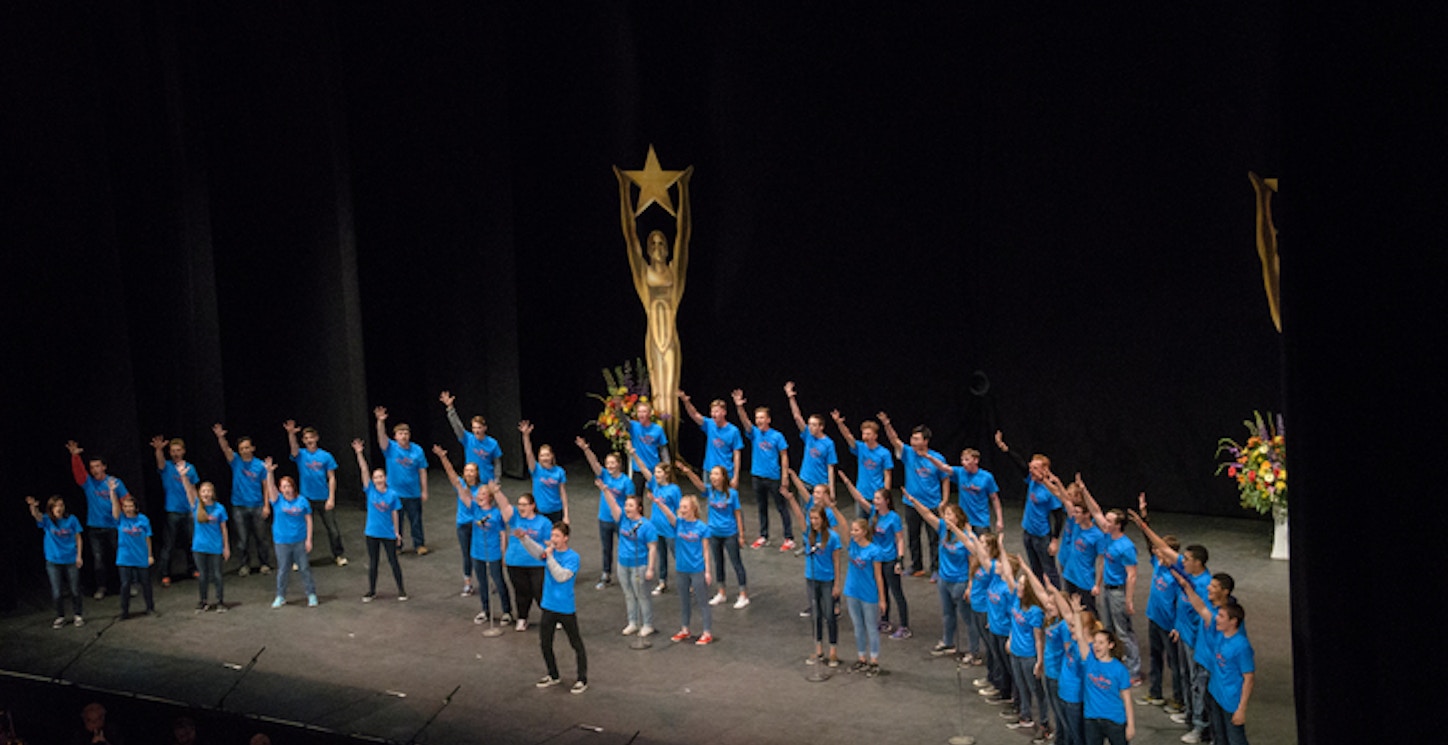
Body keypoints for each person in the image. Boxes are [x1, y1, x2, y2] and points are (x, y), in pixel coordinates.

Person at [615, 158, 692, 451]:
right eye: (654, 244)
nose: (658, 247)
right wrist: (624, 189)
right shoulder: (642, 273)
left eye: (662, 243)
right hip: (652, 336)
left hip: (670, 337)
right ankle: (662, 456)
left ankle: (673, 454)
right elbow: (629, 235)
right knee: (658, 398)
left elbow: (684, 235)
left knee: (670, 396)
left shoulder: (675, 272)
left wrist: (683, 189)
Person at [1128, 509, 1213, 743]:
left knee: (1197, 683)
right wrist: (1144, 527)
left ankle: (1201, 726)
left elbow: (1207, 616)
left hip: (1197, 641)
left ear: (1197, 563)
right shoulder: (1187, 572)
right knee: (1187, 678)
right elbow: (1163, 550)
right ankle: (1189, 716)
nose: (1182, 561)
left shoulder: (1204, 584)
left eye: (1186, 559)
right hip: (1184, 634)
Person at [1174, 566, 1254, 745]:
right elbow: (1201, 608)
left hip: (1230, 701)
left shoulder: (1241, 646)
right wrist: (1186, 587)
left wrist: (1241, 709)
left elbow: (1248, 678)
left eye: (1222, 616)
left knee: (1235, 738)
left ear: (1233, 622)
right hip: (1216, 694)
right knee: (1220, 736)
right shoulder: (1220, 638)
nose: (1217, 617)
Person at [435, 445, 512, 624]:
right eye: (480, 495)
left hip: (492, 551)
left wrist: (503, 553)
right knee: (482, 583)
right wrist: (443, 458)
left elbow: (503, 533)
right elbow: (456, 482)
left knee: (498, 581)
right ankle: (485, 610)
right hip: (477, 551)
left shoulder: (496, 513)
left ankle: (507, 611)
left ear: (489, 497)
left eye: (484, 494)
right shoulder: (473, 508)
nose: (480, 496)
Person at [1076, 477, 1142, 685]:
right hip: (1106, 588)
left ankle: (1134, 671)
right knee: (1108, 628)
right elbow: (1095, 510)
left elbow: (1132, 574)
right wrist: (1084, 489)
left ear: (1118, 526)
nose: (1104, 522)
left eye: (1109, 521)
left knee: (1123, 632)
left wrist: (1129, 600)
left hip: (1119, 592)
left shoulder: (1126, 546)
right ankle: (1116, 662)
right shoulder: (1107, 537)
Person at [517, 522, 588, 693]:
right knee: (545, 643)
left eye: (557, 536)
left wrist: (549, 557)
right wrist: (524, 539)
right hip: (548, 605)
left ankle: (582, 679)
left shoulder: (573, 557)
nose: (553, 539)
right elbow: (536, 551)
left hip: (565, 607)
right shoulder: (550, 553)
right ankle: (553, 675)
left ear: (565, 538)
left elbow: (561, 576)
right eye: (552, 536)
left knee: (575, 643)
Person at [903, 494, 975, 663]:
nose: (947, 517)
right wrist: (914, 501)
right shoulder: (943, 528)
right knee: (947, 614)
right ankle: (948, 642)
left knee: (967, 618)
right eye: (946, 514)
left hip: (960, 581)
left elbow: (974, 564)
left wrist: (970, 586)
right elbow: (928, 515)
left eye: (950, 514)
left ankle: (974, 651)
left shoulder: (967, 537)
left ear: (958, 518)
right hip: (944, 579)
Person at [878, 413, 950, 579]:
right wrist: (887, 424)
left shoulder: (937, 458)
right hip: (911, 503)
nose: (913, 441)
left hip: (932, 504)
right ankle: (916, 566)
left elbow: (945, 480)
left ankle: (936, 569)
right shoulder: (908, 453)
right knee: (913, 536)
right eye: (912, 438)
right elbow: (894, 440)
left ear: (925, 441)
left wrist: (945, 501)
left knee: (934, 538)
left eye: (917, 438)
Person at [839, 472, 909, 639]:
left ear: (886, 501)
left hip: (890, 559)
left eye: (878, 499)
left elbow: (899, 539)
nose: (875, 501)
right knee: (881, 589)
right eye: (875, 499)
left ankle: (904, 626)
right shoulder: (873, 513)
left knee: (896, 592)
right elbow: (860, 498)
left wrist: (900, 559)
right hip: (875, 559)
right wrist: (848, 482)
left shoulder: (894, 518)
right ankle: (885, 620)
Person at [993, 430, 1066, 588]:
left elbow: (1059, 517)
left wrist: (1054, 541)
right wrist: (1004, 447)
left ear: (1045, 470)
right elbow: (1018, 463)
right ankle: (1039, 595)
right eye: (1031, 467)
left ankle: (1059, 599)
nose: (1030, 470)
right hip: (1028, 532)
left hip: (1042, 536)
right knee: (1035, 568)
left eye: (1035, 468)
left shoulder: (1050, 491)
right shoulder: (1032, 480)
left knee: (1049, 569)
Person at [781, 486, 842, 666]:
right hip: (812, 578)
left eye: (816, 519)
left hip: (828, 580)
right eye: (811, 519)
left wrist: (837, 584)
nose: (813, 522)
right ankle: (818, 649)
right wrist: (791, 499)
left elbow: (837, 562)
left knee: (829, 615)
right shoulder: (809, 535)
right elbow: (799, 516)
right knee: (816, 615)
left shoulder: (833, 537)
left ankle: (833, 651)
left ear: (823, 519)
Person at [1134, 494, 1184, 711]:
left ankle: (1179, 698)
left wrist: (1177, 626)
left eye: (1160, 550)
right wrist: (1144, 517)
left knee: (1175, 664)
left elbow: (1182, 603)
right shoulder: (1158, 563)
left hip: (1169, 624)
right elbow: (1149, 543)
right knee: (1155, 658)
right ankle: (1155, 693)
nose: (1155, 551)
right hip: (1154, 618)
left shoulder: (1177, 573)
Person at [677, 462, 749, 609]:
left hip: (730, 533)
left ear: (723, 477)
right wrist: (688, 471)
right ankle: (721, 592)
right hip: (714, 533)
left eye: (716, 474)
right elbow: (699, 484)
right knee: (718, 562)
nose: (713, 477)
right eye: (712, 474)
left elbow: (738, 515)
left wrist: (741, 535)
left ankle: (743, 594)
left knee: (736, 563)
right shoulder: (710, 491)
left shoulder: (732, 494)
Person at [1070, 594, 1136, 745]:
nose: (1097, 646)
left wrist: (1130, 725)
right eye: (1096, 643)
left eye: (1101, 643)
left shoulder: (1120, 669)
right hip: (1092, 719)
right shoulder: (1089, 661)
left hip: (1115, 720)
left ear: (1110, 645)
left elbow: (1127, 700)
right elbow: (1080, 637)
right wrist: (1076, 613)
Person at [731, 389, 792, 551]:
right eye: (757, 417)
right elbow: (745, 422)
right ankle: (763, 535)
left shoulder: (777, 436)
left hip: (773, 477)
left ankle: (789, 537)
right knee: (761, 507)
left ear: (768, 420)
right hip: (757, 476)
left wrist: (785, 476)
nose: (758, 420)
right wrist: (739, 407)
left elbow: (784, 456)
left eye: (761, 418)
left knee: (781, 507)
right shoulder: (755, 434)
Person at [653, 493, 716, 644]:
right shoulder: (679, 523)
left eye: (685, 507)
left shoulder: (702, 528)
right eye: (680, 507)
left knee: (702, 601)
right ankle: (685, 629)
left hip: (697, 568)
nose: (681, 510)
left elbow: (706, 551)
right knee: (684, 600)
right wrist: (659, 503)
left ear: (693, 508)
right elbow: (669, 514)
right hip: (681, 568)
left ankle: (707, 632)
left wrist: (707, 571)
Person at [598, 476, 658, 636]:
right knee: (629, 594)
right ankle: (633, 622)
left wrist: (650, 568)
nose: (627, 508)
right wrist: (605, 490)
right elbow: (612, 504)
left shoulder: (647, 526)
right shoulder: (622, 519)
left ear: (639, 508)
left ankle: (647, 624)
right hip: (623, 563)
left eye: (630, 505)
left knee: (642, 595)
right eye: (626, 505)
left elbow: (653, 548)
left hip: (639, 564)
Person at [1003, 552, 1052, 740]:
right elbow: (1008, 575)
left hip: (1029, 655)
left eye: (1023, 585)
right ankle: (1025, 715)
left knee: (1036, 690)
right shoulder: (1016, 599)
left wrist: (1039, 662)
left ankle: (1045, 722)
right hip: (1015, 651)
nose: (1019, 587)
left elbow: (1039, 639)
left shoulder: (1035, 612)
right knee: (1021, 686)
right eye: (1020, 584)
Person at [66, 440, 124, 600]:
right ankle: (101, 587)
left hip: (113, 526)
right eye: (92, 467)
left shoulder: (114, 482)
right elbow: (79, 475)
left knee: (120, 557)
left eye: (98, 466)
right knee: (98, 560)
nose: (95, 470)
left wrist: (128, 520)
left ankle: (126, 585)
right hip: (95, 527)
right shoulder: (89, 483)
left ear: (104, 467)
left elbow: (125, 500)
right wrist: (75, 457)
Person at [284, 420, 347, 566]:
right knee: (301, 529)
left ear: (316, 438)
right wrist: (291, 434)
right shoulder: (301, 455)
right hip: (306, 498)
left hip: (324, 498)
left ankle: (338, 555)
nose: (309, 440)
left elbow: (331, 478)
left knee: (333, 530)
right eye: (306, 438)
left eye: (311, 437)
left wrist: (331, 497)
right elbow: (293, 449)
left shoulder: (326, 456)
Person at [213, 424, 272, 576]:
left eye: (247, 447)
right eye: (242, 448)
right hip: (239, 506)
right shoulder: (236, 461)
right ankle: (244, 564)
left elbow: (266, 486)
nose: (245, 450)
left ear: (252, 448)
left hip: (257, 505)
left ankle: (264, 563)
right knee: (242, 539)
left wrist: (266, 505)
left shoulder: (260, 465)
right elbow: (226, 450)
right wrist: (221, 437)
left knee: (261, 537)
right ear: (239, 450)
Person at [353, 439, 406, 601]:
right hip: (372, 532)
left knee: (393, 562)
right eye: (375, 477)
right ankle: (372, 590)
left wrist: (397, 532)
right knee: (373, 562)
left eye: (380, 476)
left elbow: (395, 514)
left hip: (388, 532)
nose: (378, 479)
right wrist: (359, 453)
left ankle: (402, 590)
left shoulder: (392, 494)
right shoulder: (370, 491)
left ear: (385, 478)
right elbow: (363, 470)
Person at [491, 483, 549, 631]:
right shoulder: (515, 517)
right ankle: (522, 619)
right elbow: (504, 506)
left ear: (532, 506)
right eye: (520, 504)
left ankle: (551, 618)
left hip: (536, 563)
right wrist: (497, 492)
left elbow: (550, 542)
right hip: (515, 562)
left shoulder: (543, 522)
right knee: (521, 593)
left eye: (524, 504)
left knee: (539, 592)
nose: (521, 507)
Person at [576, 436, 631, 590]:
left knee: (625, 547)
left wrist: (629, 519)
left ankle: (626, 573)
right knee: (606, 548)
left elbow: (630, 502)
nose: (610, 466)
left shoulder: (626, 481)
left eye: (613, 463)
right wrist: (586, 449)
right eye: (608, 463)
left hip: (621, 520)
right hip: (605, 518)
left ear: (619, 464)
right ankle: (606, 574)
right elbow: (594, 463)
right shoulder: (604, 475)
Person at [262, 457, 317, 608]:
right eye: (283, 486)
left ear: (293, 487)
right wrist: (269, 472)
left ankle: (311, 594)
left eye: (289, 486)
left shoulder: (302, 501)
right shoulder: (277, 500)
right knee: (283, 570)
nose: (286, 489)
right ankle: (280, 596)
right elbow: (270, 487)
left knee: (304, 568)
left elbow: (309, 520)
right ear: (280, 489)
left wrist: (309, 539)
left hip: (299, 540)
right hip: (282, 541)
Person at [374, 407, 429, 554]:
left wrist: (424, 490)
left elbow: (422, 471)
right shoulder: (390, 448)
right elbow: (381, 437)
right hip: (394, 492)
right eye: (400, 434)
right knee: (395, 521)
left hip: (413, 492)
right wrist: (380, 421)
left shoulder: (417, 450)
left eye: (406, 433)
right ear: (395, 436)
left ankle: (419, 544)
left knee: (416, 520)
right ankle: (397, 545)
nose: (403, 436)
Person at [628, 444, 680, 595]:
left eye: (658, 472)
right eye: (655, 472)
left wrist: (681, 526)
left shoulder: (674, 489)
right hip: (657, 528)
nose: (656, 474)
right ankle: (662, 582)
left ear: (666, 474)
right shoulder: (654, 486)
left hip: (670, 528)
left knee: (678, 555)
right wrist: (634, 455)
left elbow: (679, 509)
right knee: (661, 556)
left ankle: (689, 580)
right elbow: (644, 469)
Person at [28, 494, 84, 628]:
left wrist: (79, 556)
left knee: (75, 589)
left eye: (61, 505)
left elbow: (78, 538)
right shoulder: (47, 520)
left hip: (70, 559)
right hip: (53, 560)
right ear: (51, 508)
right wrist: (33, 507)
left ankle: (78, 614)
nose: (59, 508)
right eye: (56, 506)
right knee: (57, 592)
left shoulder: (71, 519)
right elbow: (37, 516)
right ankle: (60, 616)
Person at [841, 517, 887, 676]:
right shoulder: (852, 545)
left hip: (868, 594)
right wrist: (833, 508)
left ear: (864, 532)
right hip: (852, 591)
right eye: (852, 530)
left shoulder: (874, 551)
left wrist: (882, 599)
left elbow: (879, 576)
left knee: (871, 628)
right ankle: (861, 658)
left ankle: (874, 660)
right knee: (858, 627)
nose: (853, 533)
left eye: (856, 530)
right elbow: (842, 524)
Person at [151, 435, 198, 587]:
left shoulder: (190, 468)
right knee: (169, 544)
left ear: (183, 451)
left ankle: (193, 569)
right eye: (173, 451)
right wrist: (159, 450)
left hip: (188, 510)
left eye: (178, 450)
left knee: (191, 542)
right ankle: (165, 574)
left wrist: (196, 507)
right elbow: (160, 462)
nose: (176, 453)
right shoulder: (168, 467)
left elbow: (194, 488)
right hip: (172, 510)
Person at [181, 466, 229, 612]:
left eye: (208, 491)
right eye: (203, 491)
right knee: (203, 576)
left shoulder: (219, 508)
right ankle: (203, 601)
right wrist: (184, 476)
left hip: (215, 546)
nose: (206, 494)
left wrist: (226, 547)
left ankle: (220, 601)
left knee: (217, 575)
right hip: (199, 547)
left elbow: (224, 529)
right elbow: (188, 490)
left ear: (213, 493)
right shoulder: (196, 506)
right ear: (200, 494)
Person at [831, 411, 893, 520]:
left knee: (877, 526)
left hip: (877, 495)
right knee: (861, 525)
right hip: (861, 494)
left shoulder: (884, 453)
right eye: (863, 433)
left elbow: (887, 475)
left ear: (875, 436)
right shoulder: (861, 447)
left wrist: (885, 495)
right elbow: (848, 436)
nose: (865, 436)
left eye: (868, 434)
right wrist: (839, 423)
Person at [783, 382, 838, 500]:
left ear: (821, 427)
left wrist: (832, 490)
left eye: (814, 425)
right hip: (805, 481)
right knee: (805, 515)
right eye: (810, 424)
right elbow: (797, 417)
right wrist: (791, 397)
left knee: (819, 515)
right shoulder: (808, 435)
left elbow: (830, 467)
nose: (810, 427)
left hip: (821, 485)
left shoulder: (829, 443)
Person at [929, 448, 1003, 534]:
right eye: (962, 460)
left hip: (981, 521)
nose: (963, 462)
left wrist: (999, 519)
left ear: (976, 460)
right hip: (963, 520)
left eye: (967, 460)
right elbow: (943, 467)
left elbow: (995, 499)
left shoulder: (986, 477)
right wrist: (929, 457)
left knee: (983, 545)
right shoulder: (960, 472)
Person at [677, 391, 742, 487]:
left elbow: (737, 455)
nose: (713, 414)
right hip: (709, 470)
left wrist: (736, 476)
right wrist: (686, 401)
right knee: (710, 498)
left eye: (716, 411)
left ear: (724, 412)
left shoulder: (733, 431)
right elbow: (694, 414)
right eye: (712, 411)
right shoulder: (710, 424)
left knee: (725, 499)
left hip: (725, 471)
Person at [109, 483, 155, 618]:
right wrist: (112, 492)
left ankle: (150, 608)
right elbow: (114, 507)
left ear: (135, 507)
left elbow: (148, 538)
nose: (128, 509)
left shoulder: (143, 519)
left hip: (141, 556)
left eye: (131, 506)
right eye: (126, 506)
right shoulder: (120, 519)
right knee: (125, 585)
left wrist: (150, 555)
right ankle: (124, 611)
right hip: (125, 557)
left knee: (146, 584)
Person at [440, 390, 503, 482]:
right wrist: (450, 408)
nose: (476, 431)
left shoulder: (493, 443)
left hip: (487, 481)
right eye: (474, 428)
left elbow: (497, 463)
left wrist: (497, 480)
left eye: (479, 428)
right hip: (471, 481)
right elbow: (457, 426)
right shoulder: (468, 439)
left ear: (485, 428)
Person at [519, 420, 569, 525]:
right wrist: (525, 436)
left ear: (552, 456)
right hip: (540, 511)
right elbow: (528, 453)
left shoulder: (559, 472)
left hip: (556, 511)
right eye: (542, 455)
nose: (545, 458)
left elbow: (563, 494)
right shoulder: (536, 469)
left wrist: (566, 515)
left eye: (547, 455)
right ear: (539, 458)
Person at [626, 398, 669, 497]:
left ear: (649, 414)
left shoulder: (658, 429)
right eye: (639, 411)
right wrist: (618, 409)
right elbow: (623, 421)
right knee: (636, 498)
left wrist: (667, 467)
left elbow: (663, 450)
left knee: (659, 496)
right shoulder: (633, 426)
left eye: (644, 411)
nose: (641, 414)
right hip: (638, 469)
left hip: (654, 468)